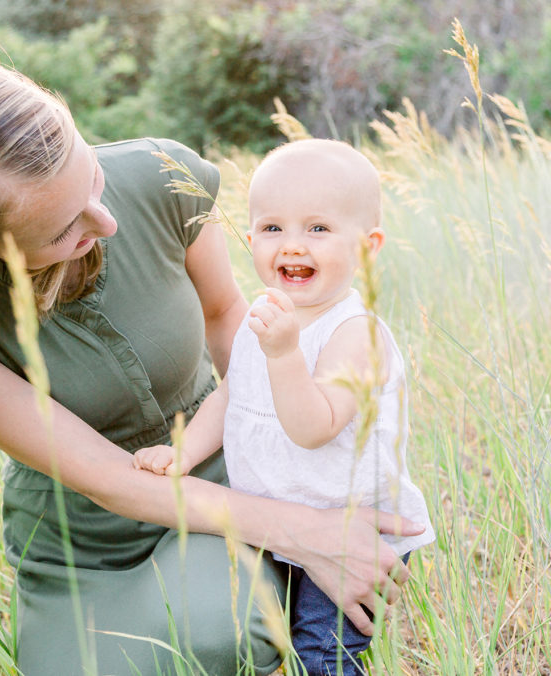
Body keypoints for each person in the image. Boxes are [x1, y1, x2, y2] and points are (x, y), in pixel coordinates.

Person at [0, 49, 423, 675]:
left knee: (216, 629)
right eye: (65, 228)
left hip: (218, 489)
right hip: (84, 546)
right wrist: (306, 532)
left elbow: (228, 317)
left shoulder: (160, 176)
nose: (107, 221)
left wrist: (305, 495)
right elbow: (113, 481)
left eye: (91, 176)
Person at [133, 139, 436, 675]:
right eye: (273, 229)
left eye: (318, 229)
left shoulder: (354, 334)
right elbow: (232, 394)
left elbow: (314, 427)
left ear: (368, 247)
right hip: (283, 518)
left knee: (322, 654)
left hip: (347, 527)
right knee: (272, 643)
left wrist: (285, 354)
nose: (292, 245)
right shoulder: (267, 313)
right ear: (250, 240)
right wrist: (183, 453)